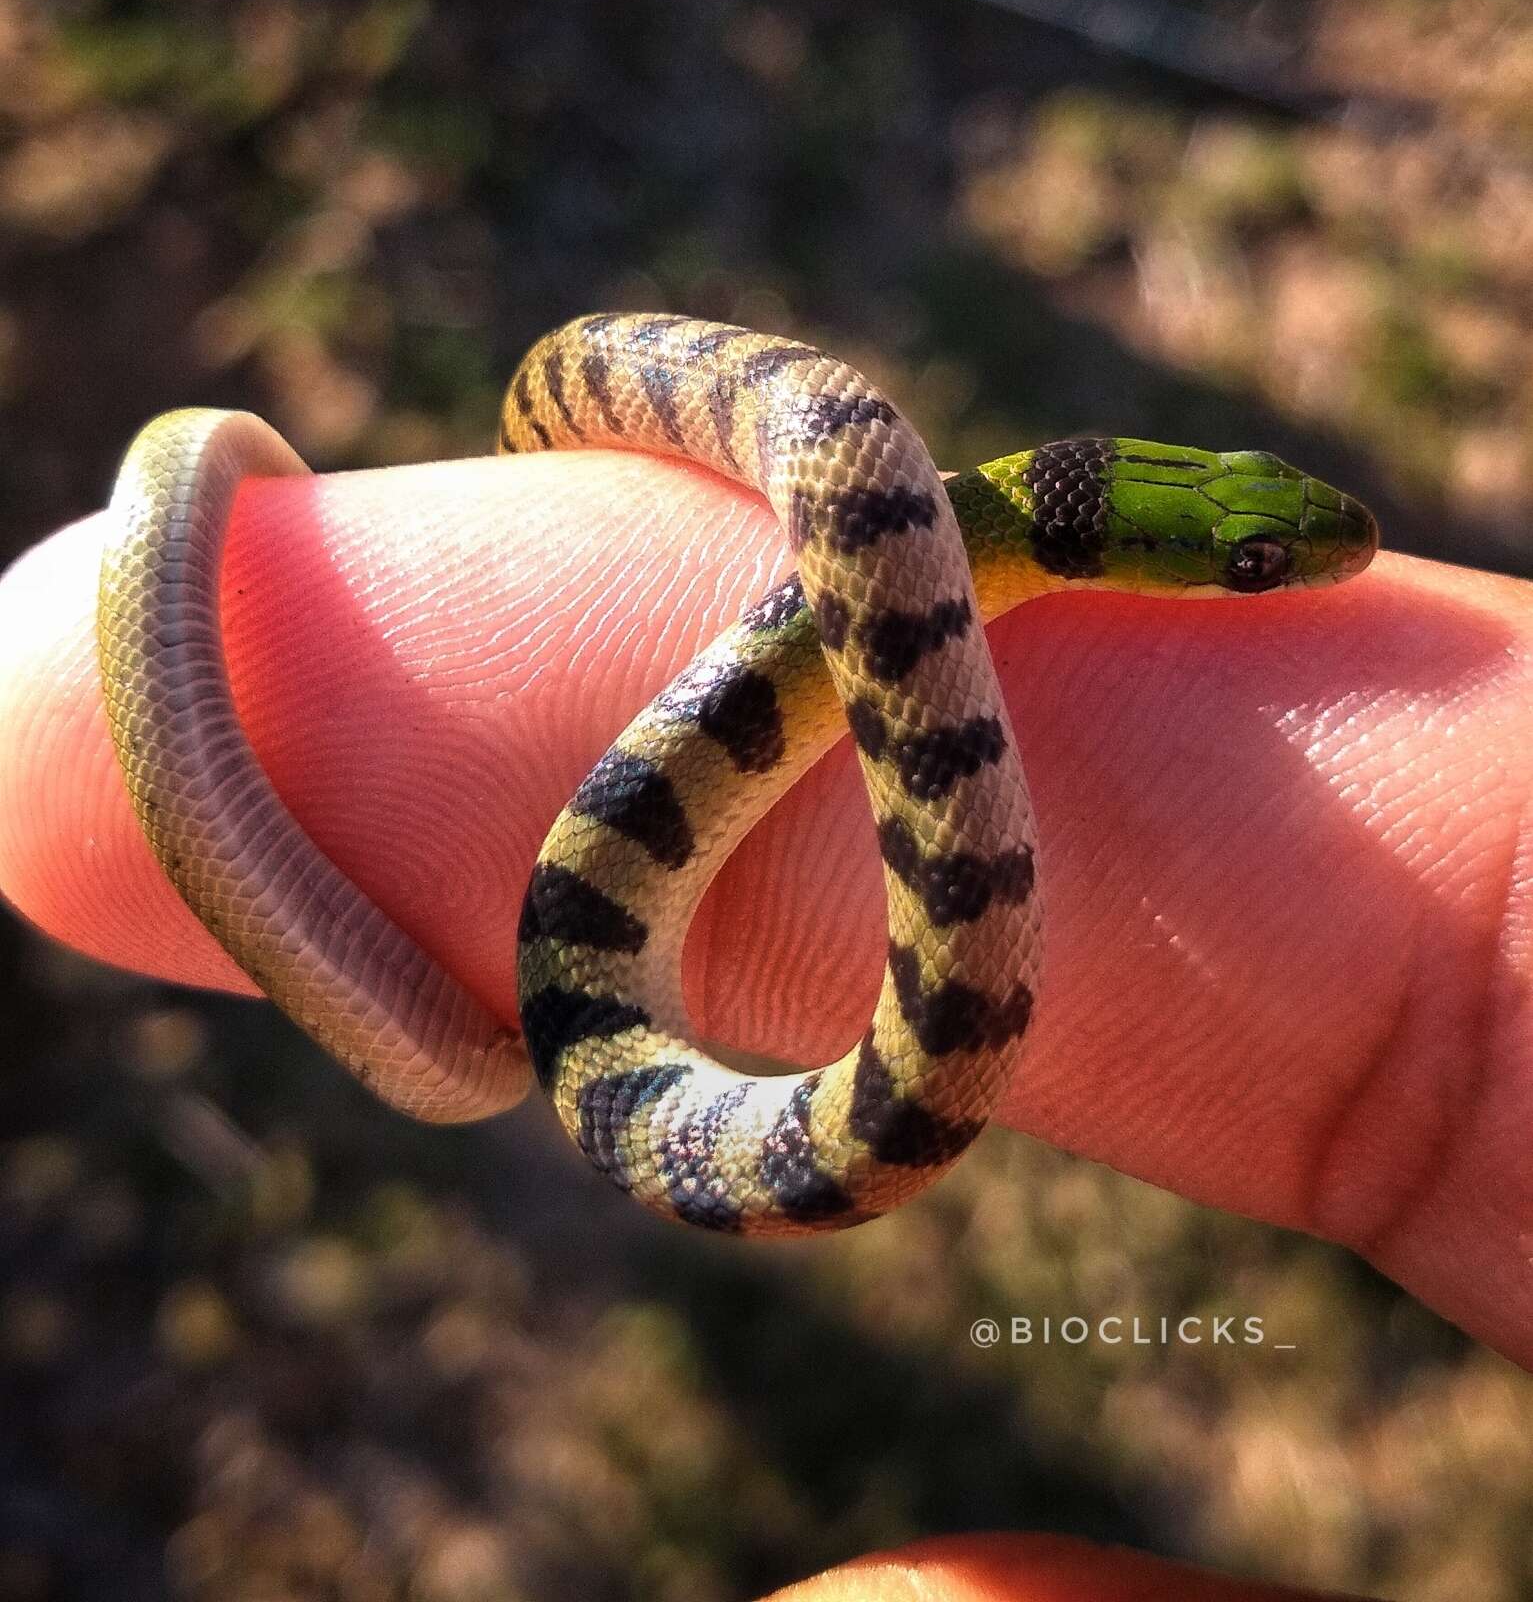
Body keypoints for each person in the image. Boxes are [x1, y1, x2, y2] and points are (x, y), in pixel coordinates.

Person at [2, 442, 1529, 1601]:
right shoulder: (912, 519)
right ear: (1093, 538)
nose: (1281, 568)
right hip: (641, 1013)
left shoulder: (932, 526)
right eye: (1252, 564)